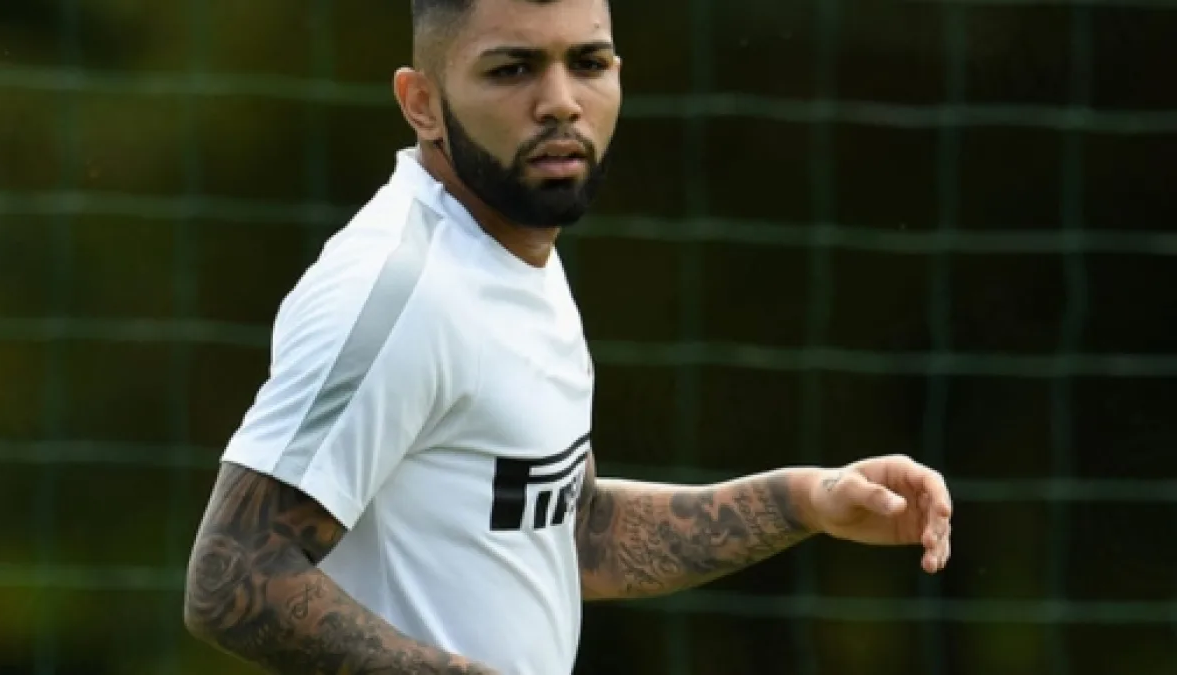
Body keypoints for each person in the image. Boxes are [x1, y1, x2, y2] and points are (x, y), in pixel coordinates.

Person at [181, 0, 954, 673]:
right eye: (512, 69)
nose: (560, 102)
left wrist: (808, 499)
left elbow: (571, 529)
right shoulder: (397, 292)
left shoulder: (515, 249)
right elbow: (235, 577)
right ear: (422, 103)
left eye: (588, 63)